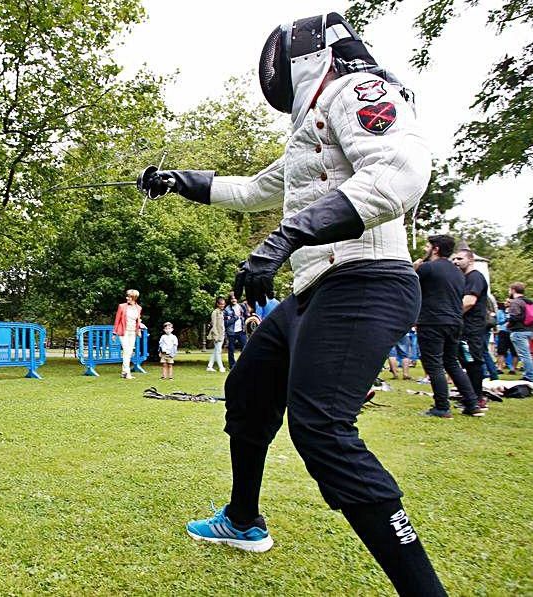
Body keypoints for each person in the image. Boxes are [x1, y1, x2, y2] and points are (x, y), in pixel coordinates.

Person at [138, 13, 447, 594]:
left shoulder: (360, 90)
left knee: (322, 430)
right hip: (313, 291)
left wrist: (284, 238)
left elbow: (401, 171)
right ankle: (243, 520)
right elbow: (257, 188)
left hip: (366, 279)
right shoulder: (314, 121)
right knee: (249, 390)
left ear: (296, 56)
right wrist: (179, 181)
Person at [412, 237, 484, 418]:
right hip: (455, 321)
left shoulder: (427, 268)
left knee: (434, 364)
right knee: (452, 363)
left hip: (432, 321)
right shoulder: (458, 272)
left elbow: (410, 284)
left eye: (428, 246)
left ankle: (442, 407)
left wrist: (415, 267)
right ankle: (472, 403)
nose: (426, 249)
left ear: (435, 249)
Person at [451, 249, 490, 409]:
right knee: (465, 361)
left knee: (472, 361)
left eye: (460, 258)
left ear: (471, 260)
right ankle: (470, 395)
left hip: (472, 327)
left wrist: (452, 315)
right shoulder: (465, 278)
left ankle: (477, 398)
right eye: (454, 259)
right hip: (464, 326)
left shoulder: (475, 277)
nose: (455, 262)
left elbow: (469, 302)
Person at [113, 289, 143, 380]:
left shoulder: (139, 308)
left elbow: (138, 320)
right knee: (127, 351)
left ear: (134, 298)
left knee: (129, 352)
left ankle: (123, 372)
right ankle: (128, 373)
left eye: (129, 297)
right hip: (124, 332)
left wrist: (139, 330)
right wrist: (114, 333)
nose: (127, 298)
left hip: (132, 332)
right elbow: (117, 320)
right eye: (127, 296)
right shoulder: (122, 306)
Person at [506, 282, 533, 382]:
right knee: (529, 354)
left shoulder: (516, 302)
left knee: (524, 355)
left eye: (509, 290)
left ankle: (530, 376)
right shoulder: (529, 301)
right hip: (530, 329)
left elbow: (515, 317)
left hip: (519, 331)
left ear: (513, 290)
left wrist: (508, 323)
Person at [224, 293, 248, 369]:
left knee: (245, 348)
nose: (234, 300)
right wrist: (235, 317)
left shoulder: (242, 306)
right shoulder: (227, 309)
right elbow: (226, 323)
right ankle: (232, 366)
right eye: (232, 298)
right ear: (230, 300)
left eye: (235, 298)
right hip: (231, 332)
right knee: (231, 349)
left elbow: (246, 316)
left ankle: (244, 364)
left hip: (241, 331)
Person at [206, 296, 226, 373]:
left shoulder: (221, 312)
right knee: (218, 351)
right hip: (217, 335)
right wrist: (216, 335)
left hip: (222, 333)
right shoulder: (215, 312)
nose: (222, 305)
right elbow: (214, 325)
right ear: (217, 304)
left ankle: (209, 366)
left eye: (223, 304)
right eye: (221, 304)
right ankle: (221, 367)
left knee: (216, 350)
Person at [496, 302, 517, 374]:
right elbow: (498, 321)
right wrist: (506, 320)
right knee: (501, 350)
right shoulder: (500, 311)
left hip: (513, 332)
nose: (506, 303)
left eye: (509, 302)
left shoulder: (516, 310)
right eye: (506, 302)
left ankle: (513, 369)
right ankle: (499, 368)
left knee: (514, 351)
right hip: (503, 331)